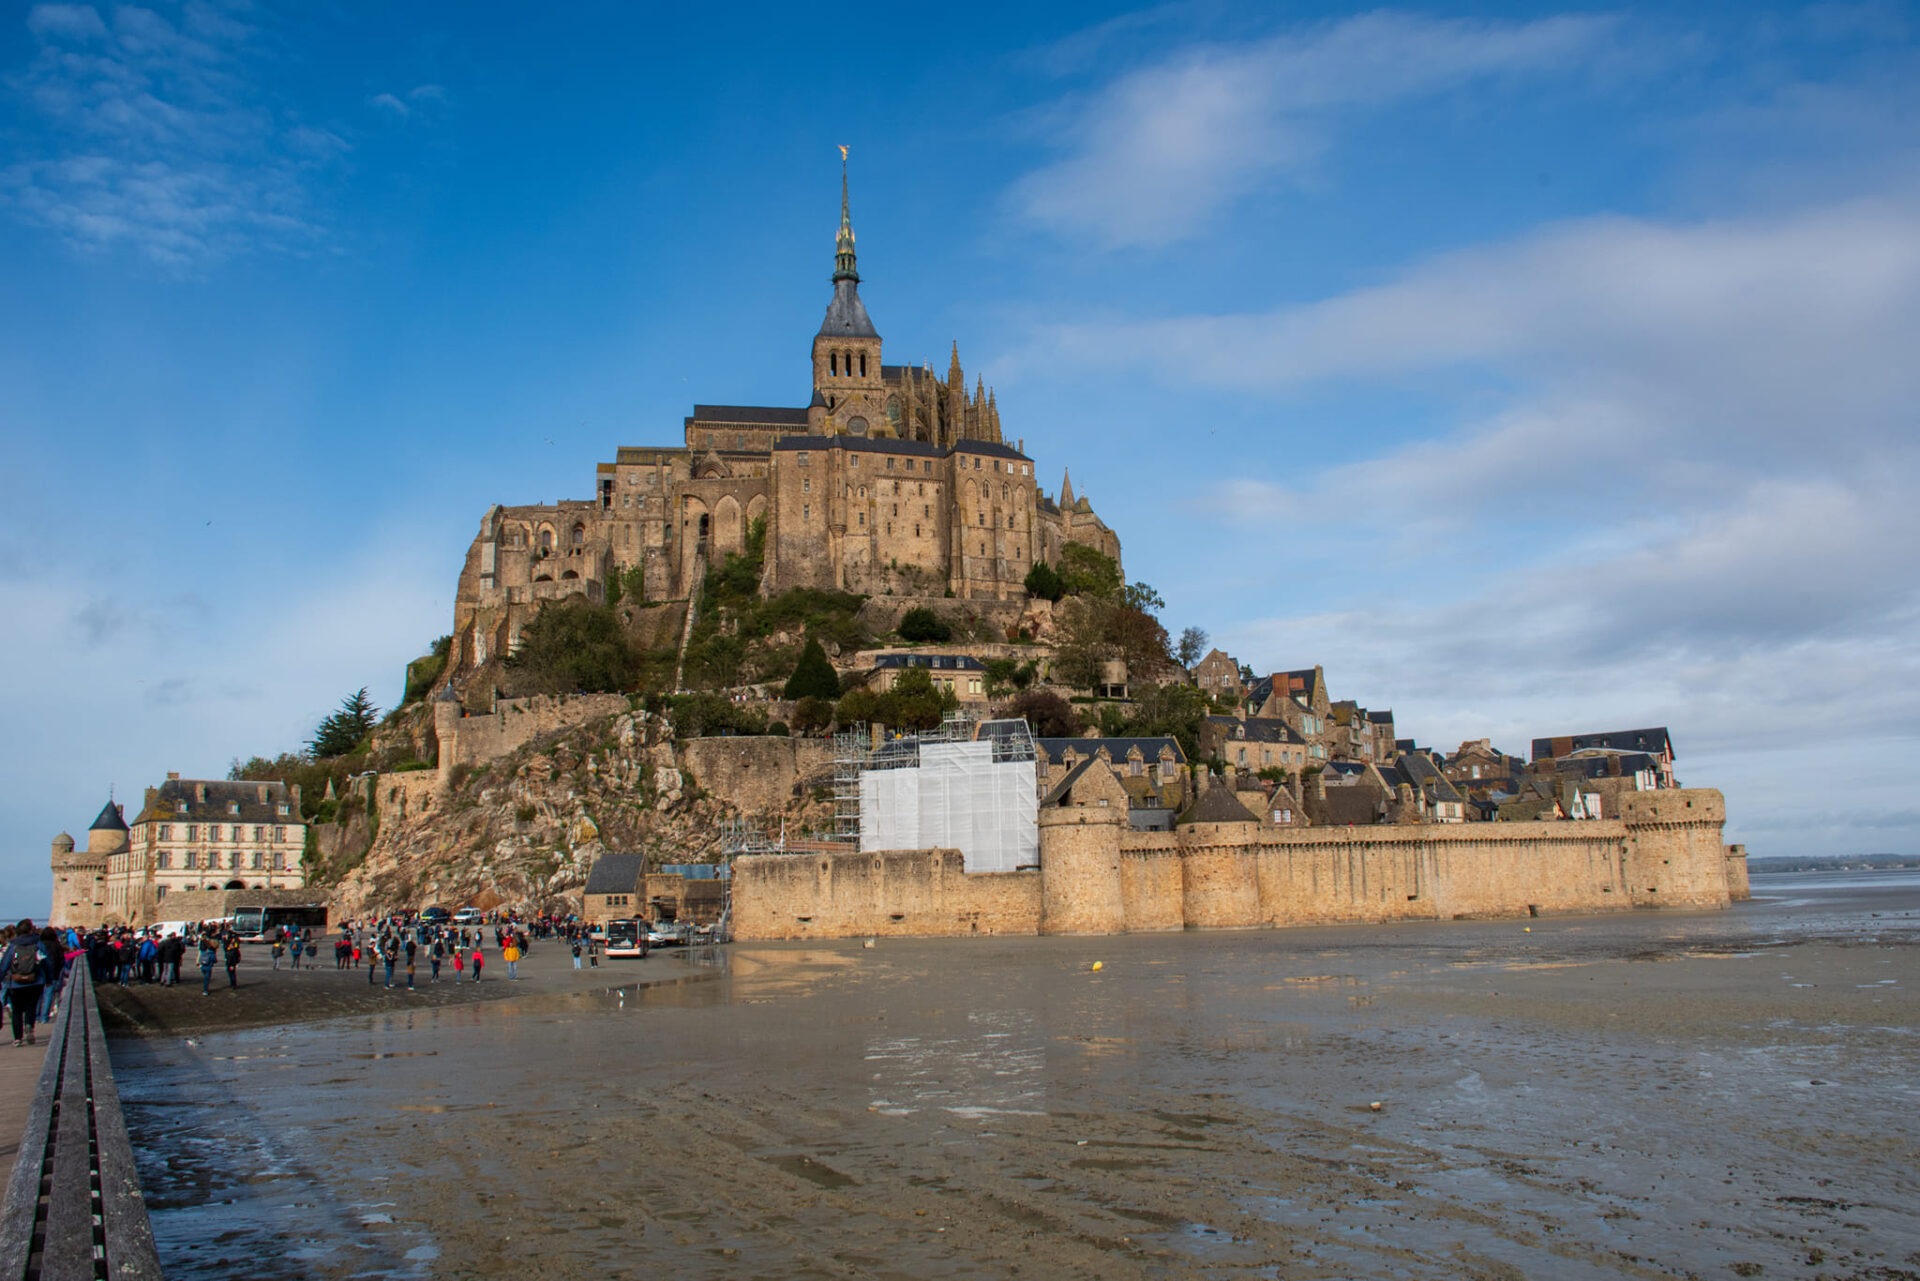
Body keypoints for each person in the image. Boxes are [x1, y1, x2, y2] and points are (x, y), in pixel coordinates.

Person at [1, 921, 45, 1046]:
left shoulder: (13, 946)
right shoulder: (38, 943)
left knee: (16, 1011)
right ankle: (29, 1026)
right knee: (31, 1007)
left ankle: (17, 1038)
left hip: (16, 982)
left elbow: (4, 965)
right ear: (31, 930)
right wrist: (48, 979)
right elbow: (45, 961)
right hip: (34, 981)